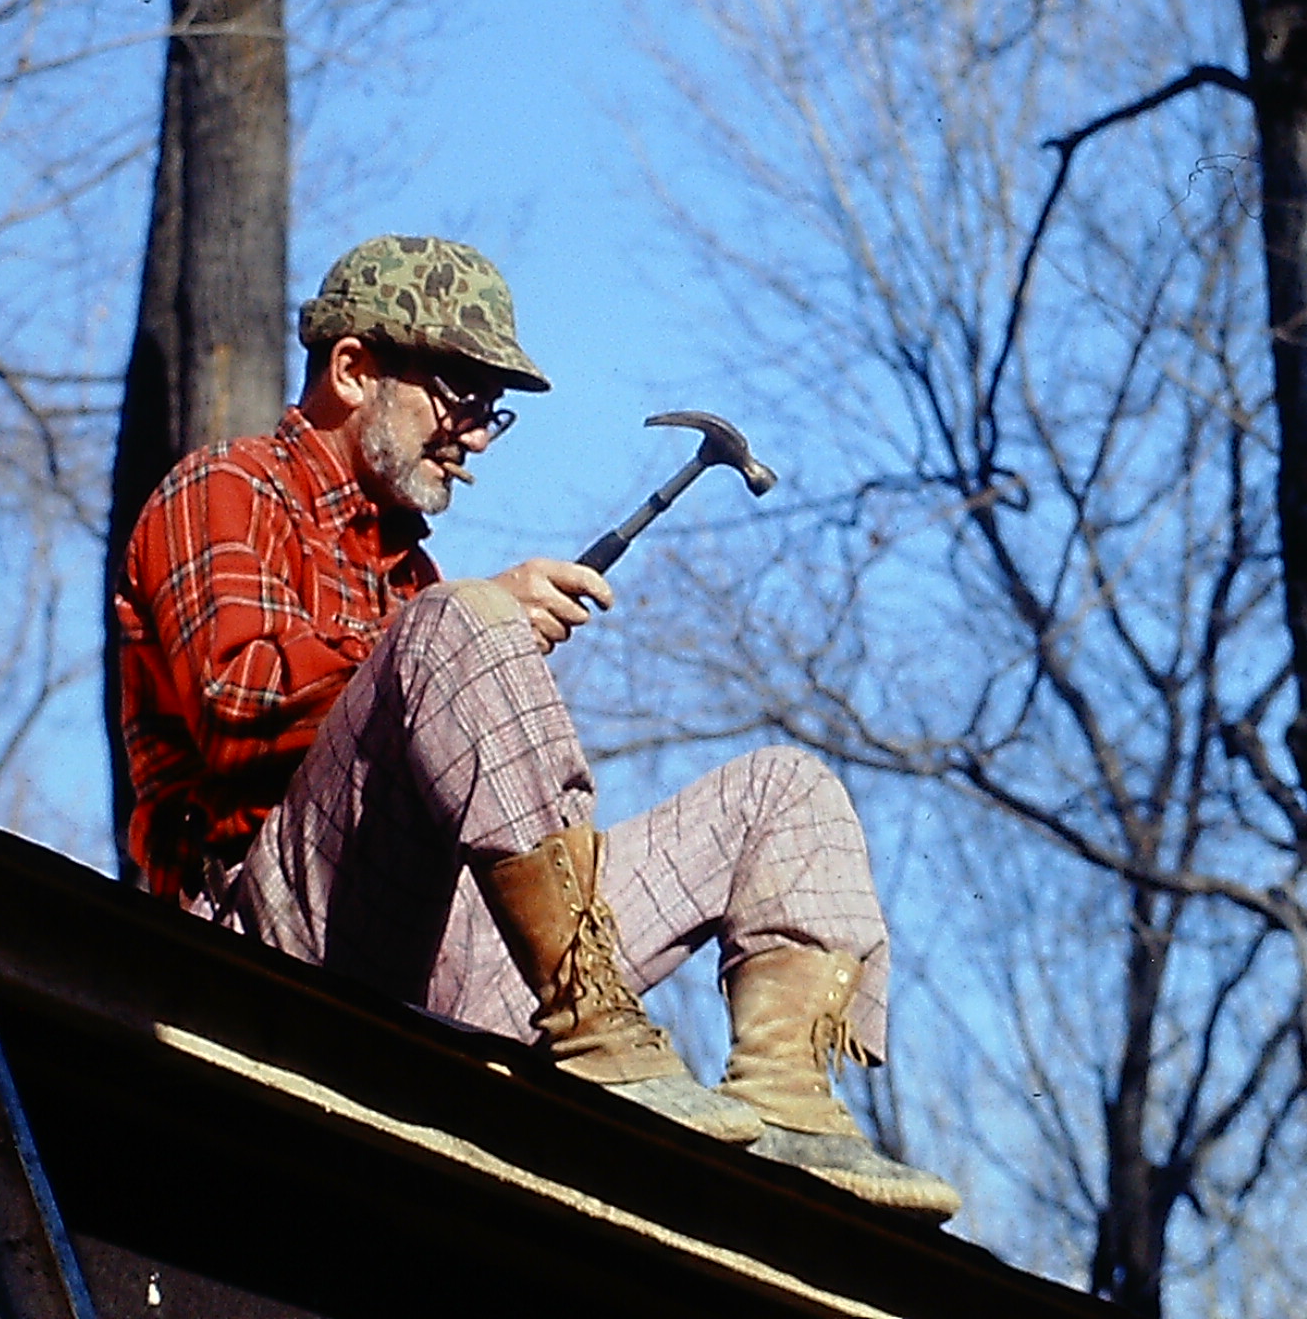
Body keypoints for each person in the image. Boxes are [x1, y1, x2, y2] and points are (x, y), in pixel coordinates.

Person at [113, 235, 958, 1219]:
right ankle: (596, 1026)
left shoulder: (409, 575)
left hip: (457, 958)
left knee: (784, 792)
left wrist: (459, 643)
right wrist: (460, 629)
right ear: (353, 370)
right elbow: (238, 703)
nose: (474, 435)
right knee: (455, 620)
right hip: (271, 943)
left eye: (489, 412)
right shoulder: (228, 487)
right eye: (457, 395)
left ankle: (791, 1104)